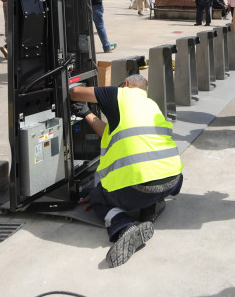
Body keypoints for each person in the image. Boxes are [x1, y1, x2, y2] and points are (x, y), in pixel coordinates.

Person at [69, 74, 183, 268]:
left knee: (97, 195)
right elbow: (108, 132)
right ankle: (150, 208)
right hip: (173, 181)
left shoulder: (118, 94)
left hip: (138, 189)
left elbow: (75, 92)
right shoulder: (151, 105)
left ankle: (124, 226)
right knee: (151, 176)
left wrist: (67, 82)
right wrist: (87, 113)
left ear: (126, 84)